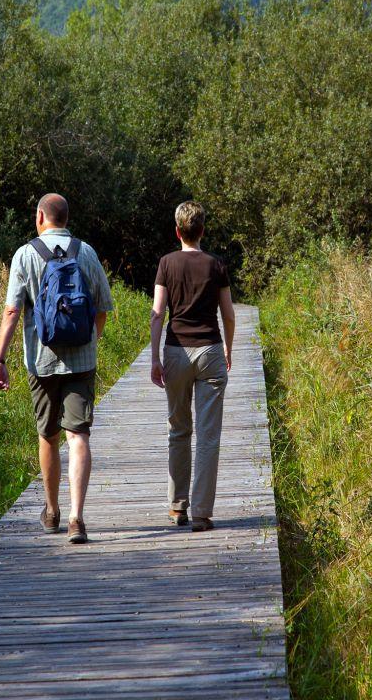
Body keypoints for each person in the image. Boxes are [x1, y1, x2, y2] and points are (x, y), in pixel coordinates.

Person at [0, 193, 114, 544]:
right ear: (66, 217)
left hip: (41, 362)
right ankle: (77, 517)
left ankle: (52, 510)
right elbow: (103, 307)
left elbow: (13, 312)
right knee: (79, 436)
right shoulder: (86, 252)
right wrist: (92, 339)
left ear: (40, 217)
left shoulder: (25, 254)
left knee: (48, 435)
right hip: (82, 360)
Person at [149, 201, 235, 532]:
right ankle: (201, 512)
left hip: (176, 352)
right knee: (208, 435)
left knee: (178, 430)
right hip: (211, 351)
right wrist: (229, 345)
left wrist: (155, 357)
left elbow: (158, 313)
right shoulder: (216, 265)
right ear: (202, 230)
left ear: (177, 231)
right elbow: (227, 313)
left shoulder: (166, 263)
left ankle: (176, 507)